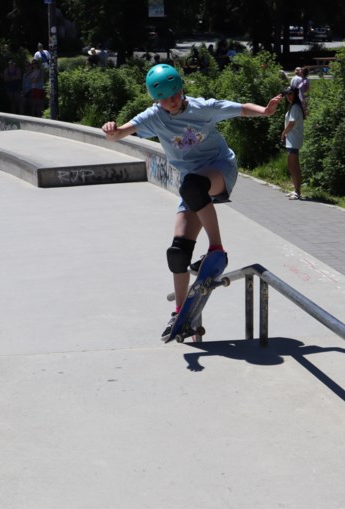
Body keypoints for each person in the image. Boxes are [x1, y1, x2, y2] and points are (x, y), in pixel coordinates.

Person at [101, 64, 283, 339]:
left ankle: (216, 249)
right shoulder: (154, 117)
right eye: (166, 99)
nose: (172, 102)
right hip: (191, 186)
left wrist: (264, 111)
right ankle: (181, 313)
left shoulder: (202, 108)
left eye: (176, 95)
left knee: (193, 185)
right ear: (156, 100)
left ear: (182, 90)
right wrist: (111, 129)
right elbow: (121, 133)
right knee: (177, 252)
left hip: (220, 169)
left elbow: (239, 108)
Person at [281, 86, 305, 200]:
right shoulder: (292, 106)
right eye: (287, 94)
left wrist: (283, 133)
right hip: (292, 140)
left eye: (290, 94)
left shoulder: (295, 107)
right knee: (293, 166)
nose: (288, 96)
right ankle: (296, 189)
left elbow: (291, 124)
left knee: (293, 166)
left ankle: (297, 191)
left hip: (294, 140)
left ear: (295, 94)